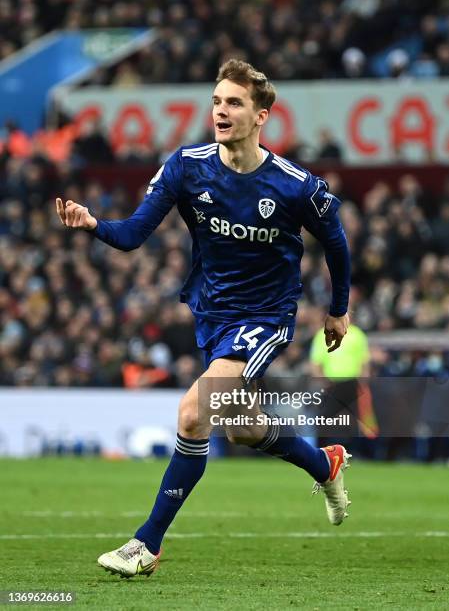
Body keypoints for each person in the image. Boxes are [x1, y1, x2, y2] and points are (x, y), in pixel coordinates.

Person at [55, 59, 352, 579]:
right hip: (213, 314)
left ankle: (146, 544)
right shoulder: (186, 167)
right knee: (240, 428)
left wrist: (339, 309)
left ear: (261, 116)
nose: (221, 110)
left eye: (234, 102)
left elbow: (337, 243)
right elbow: (131, 235)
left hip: (266, 315)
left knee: (195, 413)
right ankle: (324, 463)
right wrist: (93, 223)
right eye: (216, 101)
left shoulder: (295, 185)